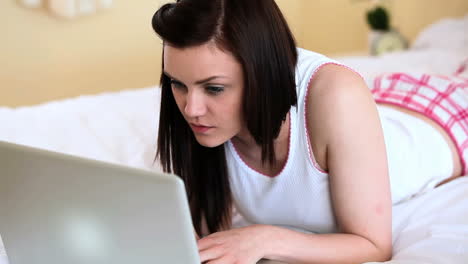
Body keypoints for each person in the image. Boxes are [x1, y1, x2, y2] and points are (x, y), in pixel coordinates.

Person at [151, 0, 467, 263]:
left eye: (215, 88)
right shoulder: (200, 113)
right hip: (374, 109)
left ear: (262, 75)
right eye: (177, 84)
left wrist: (264, 238)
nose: (191, 108)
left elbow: (373, 244)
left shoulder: (337, 95)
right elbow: (206, 232)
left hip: (445, 116)